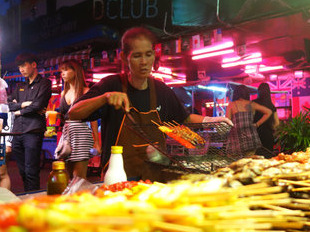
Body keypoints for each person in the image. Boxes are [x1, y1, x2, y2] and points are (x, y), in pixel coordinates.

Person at [68, 27, 231, 180]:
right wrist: (104, 98)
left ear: (154, 55)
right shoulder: (110, 84)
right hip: (120, 177)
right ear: (125, 58)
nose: (144, 61)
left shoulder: (161, 90)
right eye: (137, 55)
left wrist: (210, 120)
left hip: (155, 174)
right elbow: (73, 113)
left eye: (148, 54)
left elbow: (184, 119)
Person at [8, 53, 52, 191]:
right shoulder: (20, 85)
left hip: (33, 132)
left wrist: (20, 111)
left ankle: (33, 199)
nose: (21, 69)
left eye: (24, 65)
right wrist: (23, 105)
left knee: (31, 171)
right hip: (17, 132)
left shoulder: (45, 83)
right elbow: (9, 104)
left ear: (33, 65)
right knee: (22, 170)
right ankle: (28, 195)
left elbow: (38, 105)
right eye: (19, 66)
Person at [57, 60, 101, 179]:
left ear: (75, 72)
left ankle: (80, 196)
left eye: (66, 70)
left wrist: (97, 142)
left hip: (81, 133)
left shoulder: (86, 92)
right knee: (66, 174)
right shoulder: (63, 93)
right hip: (67, 134)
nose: (63, 73)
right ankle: (69, 197)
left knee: (79, 176)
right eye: (62, 71)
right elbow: (63, 116)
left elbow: (93, 119)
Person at [226, 84, 272, 157]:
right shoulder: (251, 104)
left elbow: (227, 121)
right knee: (248, 163)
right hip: (251, 139)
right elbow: (268, 112)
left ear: (235, 94)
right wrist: (257, 124)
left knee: (235, 164)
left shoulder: (231, 105)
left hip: (236, 139)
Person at [253, 83, 280, 158]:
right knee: (267, 159)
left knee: (255, 159)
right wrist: (271, 128)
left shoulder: (253, 103)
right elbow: (277, 123)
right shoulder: (271, 106)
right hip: (268, 135)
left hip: (256, 135)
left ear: (258, 91)